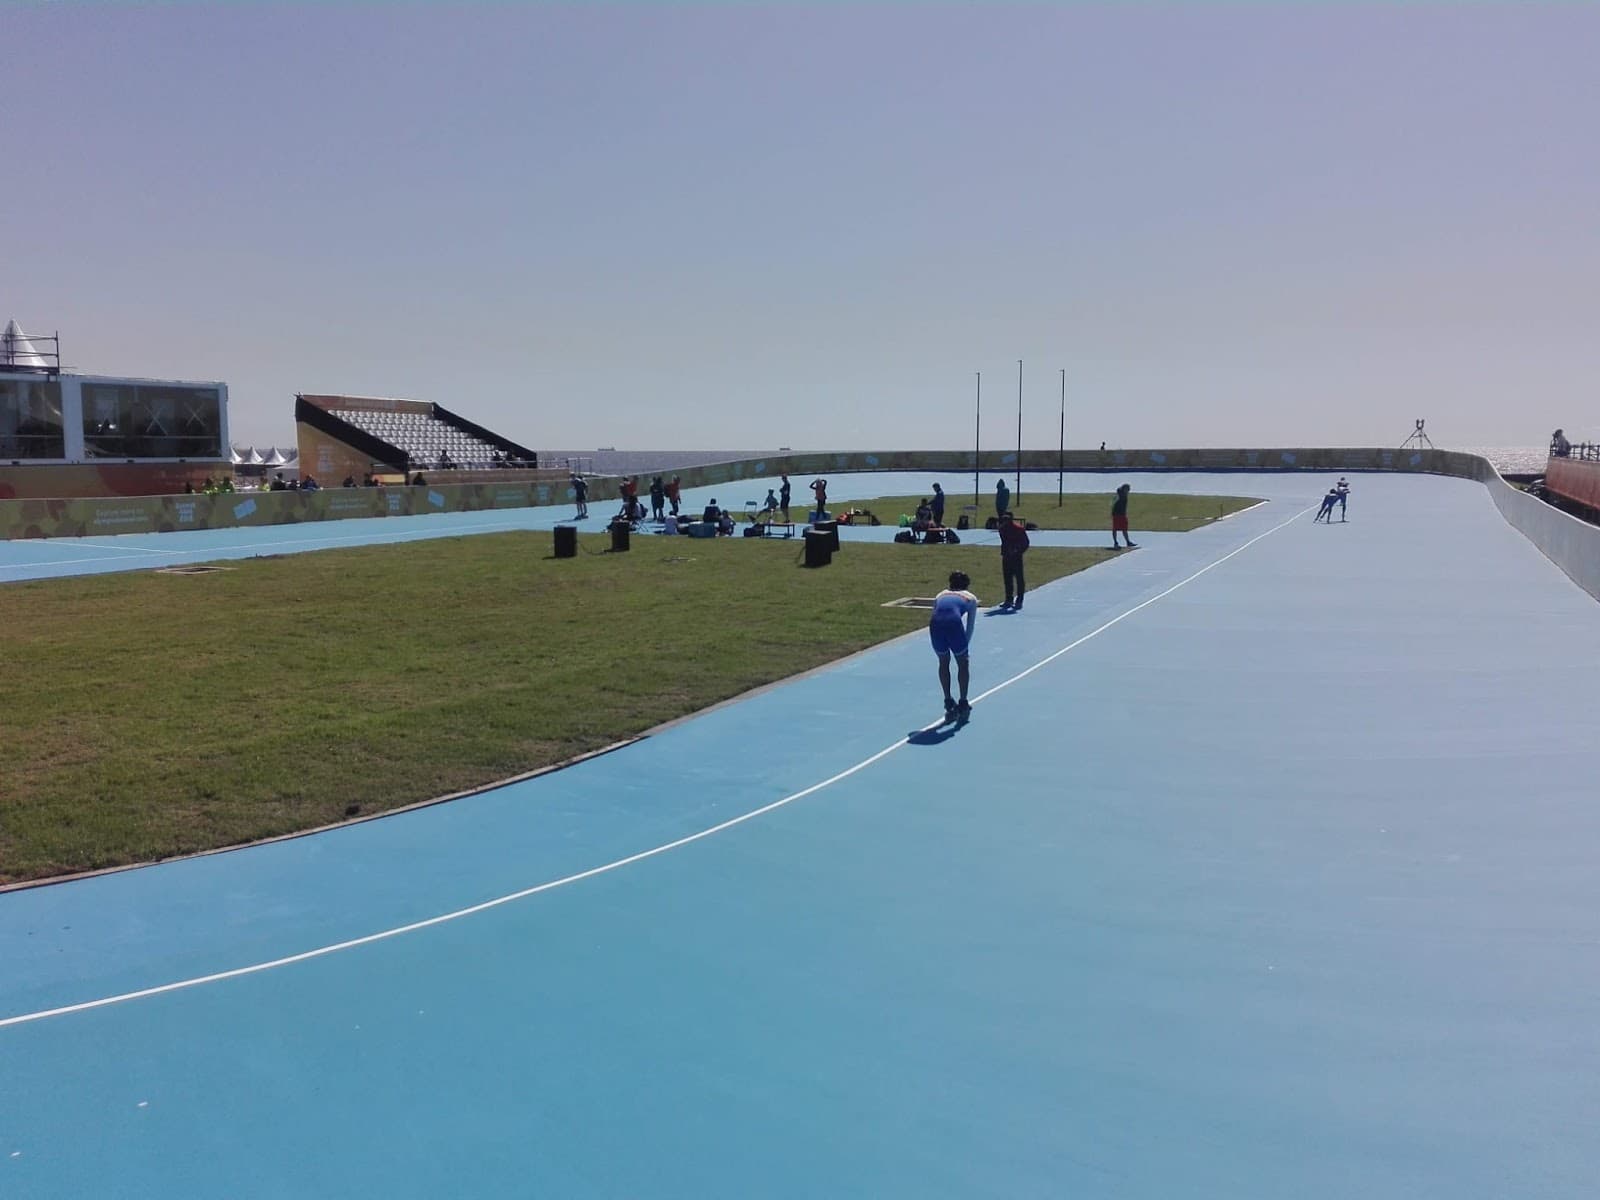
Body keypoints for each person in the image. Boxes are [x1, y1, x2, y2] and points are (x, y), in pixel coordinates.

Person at [929, 570, 979, 720]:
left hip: (935, 625)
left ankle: (948, 700)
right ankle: (963, 701)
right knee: (963, 664)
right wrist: (964, 647)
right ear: (966, 586)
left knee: (943, 662)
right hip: (954, 625)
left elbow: (936, 614)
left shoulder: (940, 595)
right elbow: (970, 626)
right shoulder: (971, 598)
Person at [998, 511, 1030, 610]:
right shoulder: (1002, 529)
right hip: (1006, 556)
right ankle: (1009, 599)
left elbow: (1025, 543)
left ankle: (1019, 600)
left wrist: (1017, 550)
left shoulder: (1019, 529)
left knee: (1019, 579)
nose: (1005, 521)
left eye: (1007, 519)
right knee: (1007, 579)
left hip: (1016, 557)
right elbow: (1004, 542)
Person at [1111, 483, 1137, 548]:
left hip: (1122, 514)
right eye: (1128, 489)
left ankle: (1128, 542)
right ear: (1124, 489)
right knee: (1115, 528)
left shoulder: (1124, 495)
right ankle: (1116, 542)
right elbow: (1113, 502)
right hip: (1117, 514)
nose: (1128, 491)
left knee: (1124, 528)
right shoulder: (1119, 495)